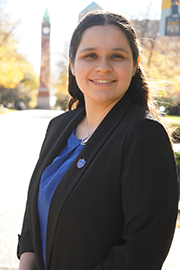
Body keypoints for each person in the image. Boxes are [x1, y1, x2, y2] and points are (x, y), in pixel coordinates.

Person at [17, 11, 178, 270]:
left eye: (117, 56)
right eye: (90, 55)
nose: (103, 66)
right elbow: (34, 212)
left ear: (136, 63)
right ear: (72, 63)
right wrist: (27, 262)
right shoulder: (58, 127)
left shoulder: (143, 135)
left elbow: (142, 251)